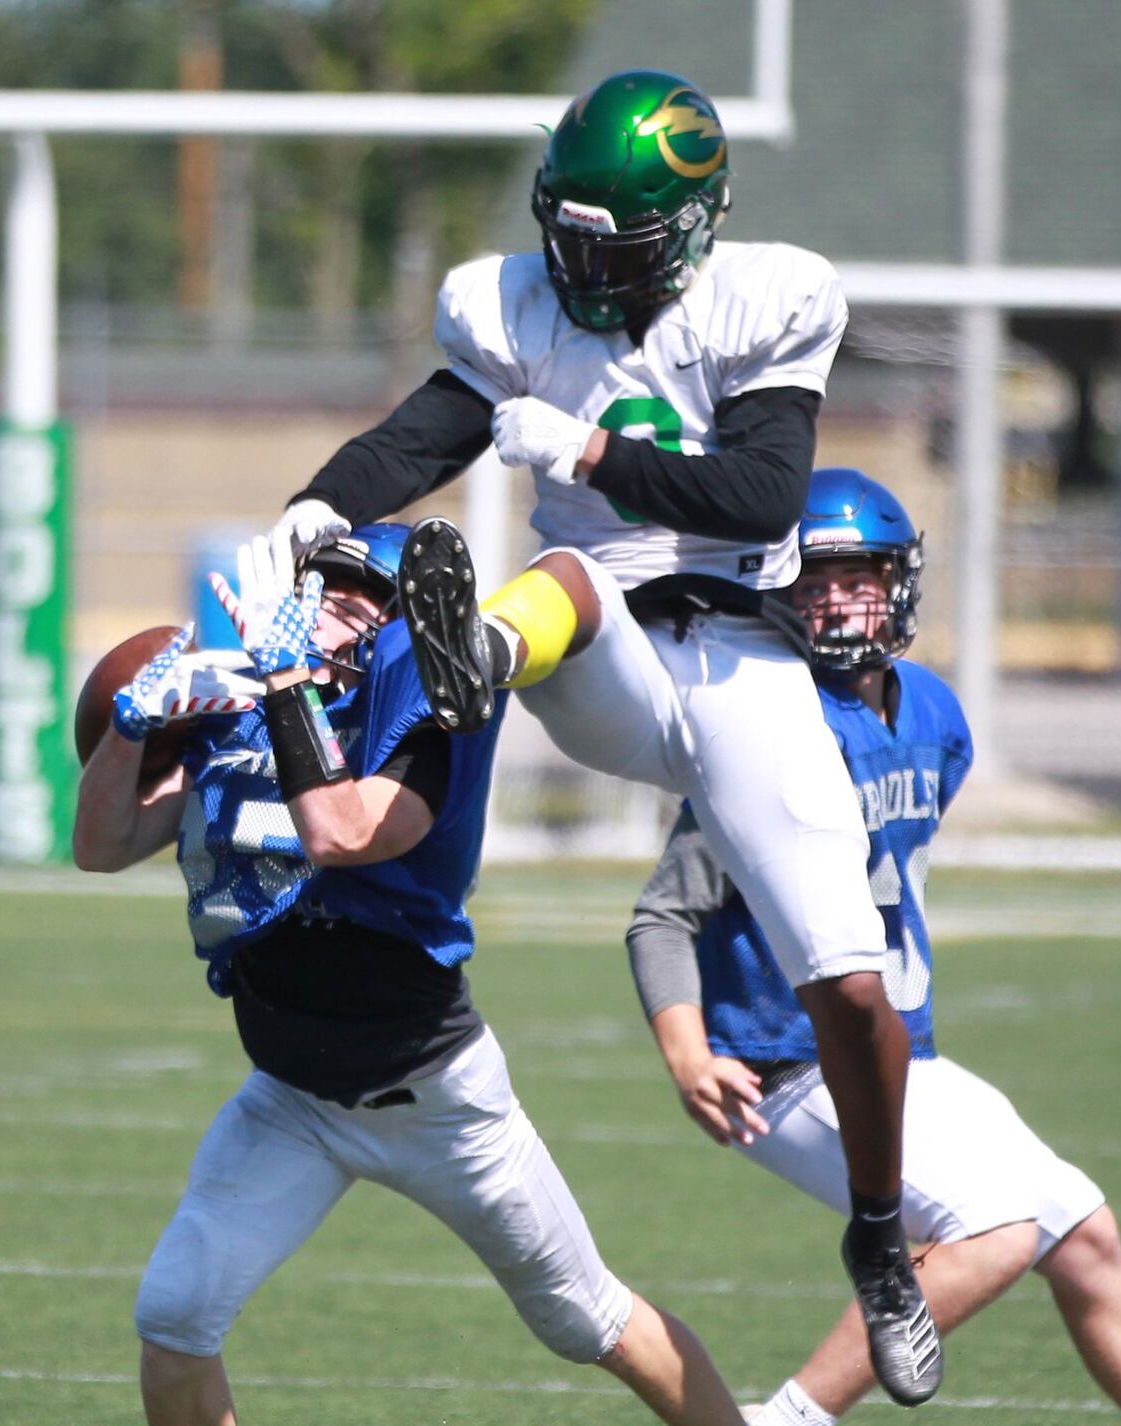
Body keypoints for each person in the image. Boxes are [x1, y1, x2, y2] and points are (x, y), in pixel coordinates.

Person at [269, 70, 940, 1405]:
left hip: (745, 655)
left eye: (607, 246)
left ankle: (877, 1237)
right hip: (594, 649)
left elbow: (762, 487)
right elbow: (416, 441)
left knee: (852, 988)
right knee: (565, 583)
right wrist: (314, 507)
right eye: (561, 233)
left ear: (690, 234)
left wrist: (580, 449)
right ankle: (476, 653)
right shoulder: (508, 305)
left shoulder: (768, 297)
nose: (573, 267)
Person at [71, 525, 748, 1426]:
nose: (339, 613)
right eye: (328, 590)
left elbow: (343, 832)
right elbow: (100, 845)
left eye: (369, 601)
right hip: (293, 1098)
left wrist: (282, 685)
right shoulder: (244, 705)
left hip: (436, 1101)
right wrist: (130, 730)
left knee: (590, 1319)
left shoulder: (429, 724)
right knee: (175, 1319)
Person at [625, 468, 1121, 1426]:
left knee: (1086, 1234)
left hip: (898, 1045)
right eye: (816, 579)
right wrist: (690, 1050)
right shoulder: (769, 735)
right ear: (776, 590)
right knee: (995, 1231)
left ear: (901, 583)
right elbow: (662, 914)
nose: (841, 597)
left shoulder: (932, 713)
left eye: (862, 575)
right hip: (790, 1062)